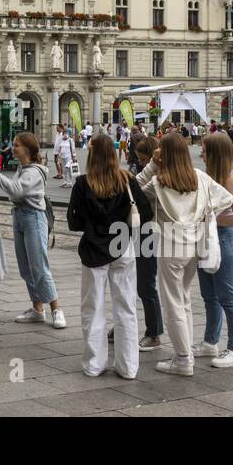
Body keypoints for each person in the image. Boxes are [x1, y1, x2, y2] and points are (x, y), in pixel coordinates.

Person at [135, 132, 233, 376]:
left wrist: (151, 165)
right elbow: (226, 200)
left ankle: (182, 359)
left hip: (170, 248)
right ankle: (186, 352)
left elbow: (131, 190)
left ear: (163, 155)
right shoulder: (199, 177)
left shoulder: (159, 183)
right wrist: (204, 213)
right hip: (194, 248)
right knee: (185, 298)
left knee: (172, 304)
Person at [67, 132, 153, 379]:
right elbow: (145, 213)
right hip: (122, 246)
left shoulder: (83, 183)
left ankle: (94, 364)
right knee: (126, 307)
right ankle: (128, 366)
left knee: (92, 307)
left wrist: (93, 224)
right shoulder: (126, 180)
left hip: (94, 250)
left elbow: (74, 222)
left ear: (91, 154)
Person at [0, 133, 65, 329]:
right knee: (26, 267)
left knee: (39, 266)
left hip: (33, 218)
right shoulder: (22, 168)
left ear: (27, 149)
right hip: (20, 217)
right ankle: (37, 309)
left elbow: (15, 190)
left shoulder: (34, 172)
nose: (13, 147)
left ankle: (56, 309)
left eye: (17, 145)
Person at [195, 132, 233, 369]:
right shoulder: (212, 175)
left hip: (224, 240)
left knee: (228, 296)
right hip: (207, 239)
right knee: (209, 296)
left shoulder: (231, 178)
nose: (201, 154)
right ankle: (210, 342)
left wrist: (211, 221)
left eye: (205, 150)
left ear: (215, 152)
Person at [127, 136, 164, 351]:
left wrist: (150, 166)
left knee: (146, 284)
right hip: (142, 230)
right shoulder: (153, 172)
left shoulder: (159, 176)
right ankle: (126, 325)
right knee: (133, 281)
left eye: (143, 159)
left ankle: (154, 333)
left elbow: (136, 187)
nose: (141, 163)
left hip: (151, 232)